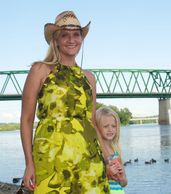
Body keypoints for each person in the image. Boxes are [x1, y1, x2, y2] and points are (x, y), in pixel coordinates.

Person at [20, 11, 110, 193]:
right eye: (65, 35)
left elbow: (91, 121)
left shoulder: (89, 78)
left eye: (76, 34)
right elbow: (26, 120)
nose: (71, 40)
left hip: (89, 159)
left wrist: (109, 158)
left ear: (81, 39)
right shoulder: (40, 70)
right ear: (56, 40)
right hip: (50, 159)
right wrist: (29, 163)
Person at [95, 107, 128, 194]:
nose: (110, 129)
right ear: (97, 128)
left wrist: (121, 177)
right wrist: (107, 173)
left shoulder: (116, 151)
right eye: (106, 126)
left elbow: (124, 183)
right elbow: (94, 176)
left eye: (113, 126)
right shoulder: (97, 149)